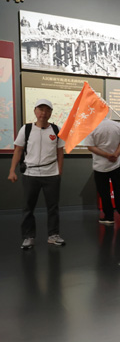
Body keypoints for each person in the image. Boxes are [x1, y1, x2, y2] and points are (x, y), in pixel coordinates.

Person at [7, 99, 65, 249]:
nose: (43, 113)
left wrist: (59, 170)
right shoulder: (26, 129)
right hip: (30, 174)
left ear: (51, 113)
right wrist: (12, 170)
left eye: (47, 110)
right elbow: (18, 150)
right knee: (28, 207)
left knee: (53, 207)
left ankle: (53, 235)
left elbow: (60, 151)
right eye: (40, 109)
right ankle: (28, 237)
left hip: (51, 174)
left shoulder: (56, 130)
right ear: (35, 111)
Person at [84, 118, 120, 225]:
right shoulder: (118, 125)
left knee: (104, 193)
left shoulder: (92, 127)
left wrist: (107, 155)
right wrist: (115, 154)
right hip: (116, 164)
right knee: (119, 190)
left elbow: (90, 147)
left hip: (100, 166)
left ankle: (109, 217)